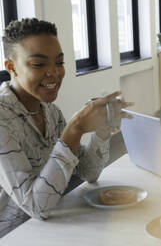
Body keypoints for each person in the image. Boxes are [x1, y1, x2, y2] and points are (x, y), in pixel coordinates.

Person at [0, 18, 133, 237]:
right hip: (15, 234)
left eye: (59, 63)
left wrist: (101, 132)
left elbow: (89, 173)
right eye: (39, 64)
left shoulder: (49, 110)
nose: (54, 72)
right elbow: (36, 207)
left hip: (53, 223)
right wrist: (74, 129)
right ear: (11, 67)